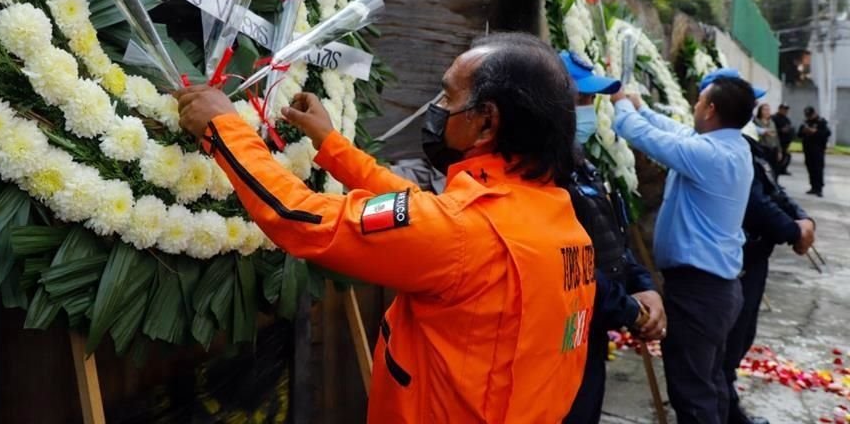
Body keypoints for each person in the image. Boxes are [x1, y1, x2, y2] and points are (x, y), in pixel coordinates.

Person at [176, 33, 596, 423]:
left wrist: (224, 128)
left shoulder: (465, 233)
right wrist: (333, 146)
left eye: (448, 97)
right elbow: (426, 212)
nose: (438, 108)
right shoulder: (556, 220)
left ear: (486, 123)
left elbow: (298, 216)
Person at [610, 67, 759, 424]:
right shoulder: (730, 146)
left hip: (699, 293)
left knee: (692, 392)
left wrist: (621, 107)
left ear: (710, 110)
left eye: (700, 100)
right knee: (710, 382)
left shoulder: (710, 156)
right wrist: (641, 107)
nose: (694, 105)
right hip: (715, 289)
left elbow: (642, 135)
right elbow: (675, 132)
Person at [559, 51, 666, 424]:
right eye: (582, 100)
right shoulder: (544, 177)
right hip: (564, 338)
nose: (589, 109)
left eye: (592, 100)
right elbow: (573, 266)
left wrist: (643, 284)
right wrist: (629, 309)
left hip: (594, 330)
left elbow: (612, 239)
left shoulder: (582, 164)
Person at [723, 134, 816, 424]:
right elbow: (756, 204)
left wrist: (802, 220)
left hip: (757, 257)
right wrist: (793, 231)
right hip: (739, 260)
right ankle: (724, 410)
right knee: (730, 339)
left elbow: (774, 190)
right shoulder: (727, 152)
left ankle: (727, 404)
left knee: (744, 334)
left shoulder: (749, 145)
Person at [798, 106, 830, 197]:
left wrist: (815, 132)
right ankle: (813, 186)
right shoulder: (805, 122)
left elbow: (827, 133)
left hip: (818, 150)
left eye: (810, 115)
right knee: (810, 168)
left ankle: (819, 188)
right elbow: (799, 134)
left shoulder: (821, 122)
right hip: (808, 149)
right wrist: (804, 131)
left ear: (814, 113)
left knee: (818, 169)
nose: (809, 117)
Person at [752, 103, 782, 176]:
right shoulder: (756, 121)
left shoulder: (772, 122)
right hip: (763, 148)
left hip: (773, 148)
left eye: (768, 110)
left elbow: (776, 137)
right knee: (764, 169)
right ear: (760, 111)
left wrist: (779, 150)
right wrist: (764, 132)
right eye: (765, 110)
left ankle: (775, 185)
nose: (767, 112)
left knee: (774, 169)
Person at [771, 103, 795, 175]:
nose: (785, 111)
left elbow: (790, 129)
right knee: (777, 159)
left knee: (786, 157)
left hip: (785, 143)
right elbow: (772, 130)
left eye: (786, 110)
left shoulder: (786, 119)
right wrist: (781, 130)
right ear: (780, 109)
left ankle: (782, 170)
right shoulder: (774, 118)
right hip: (777, 142)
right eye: (784, 109)